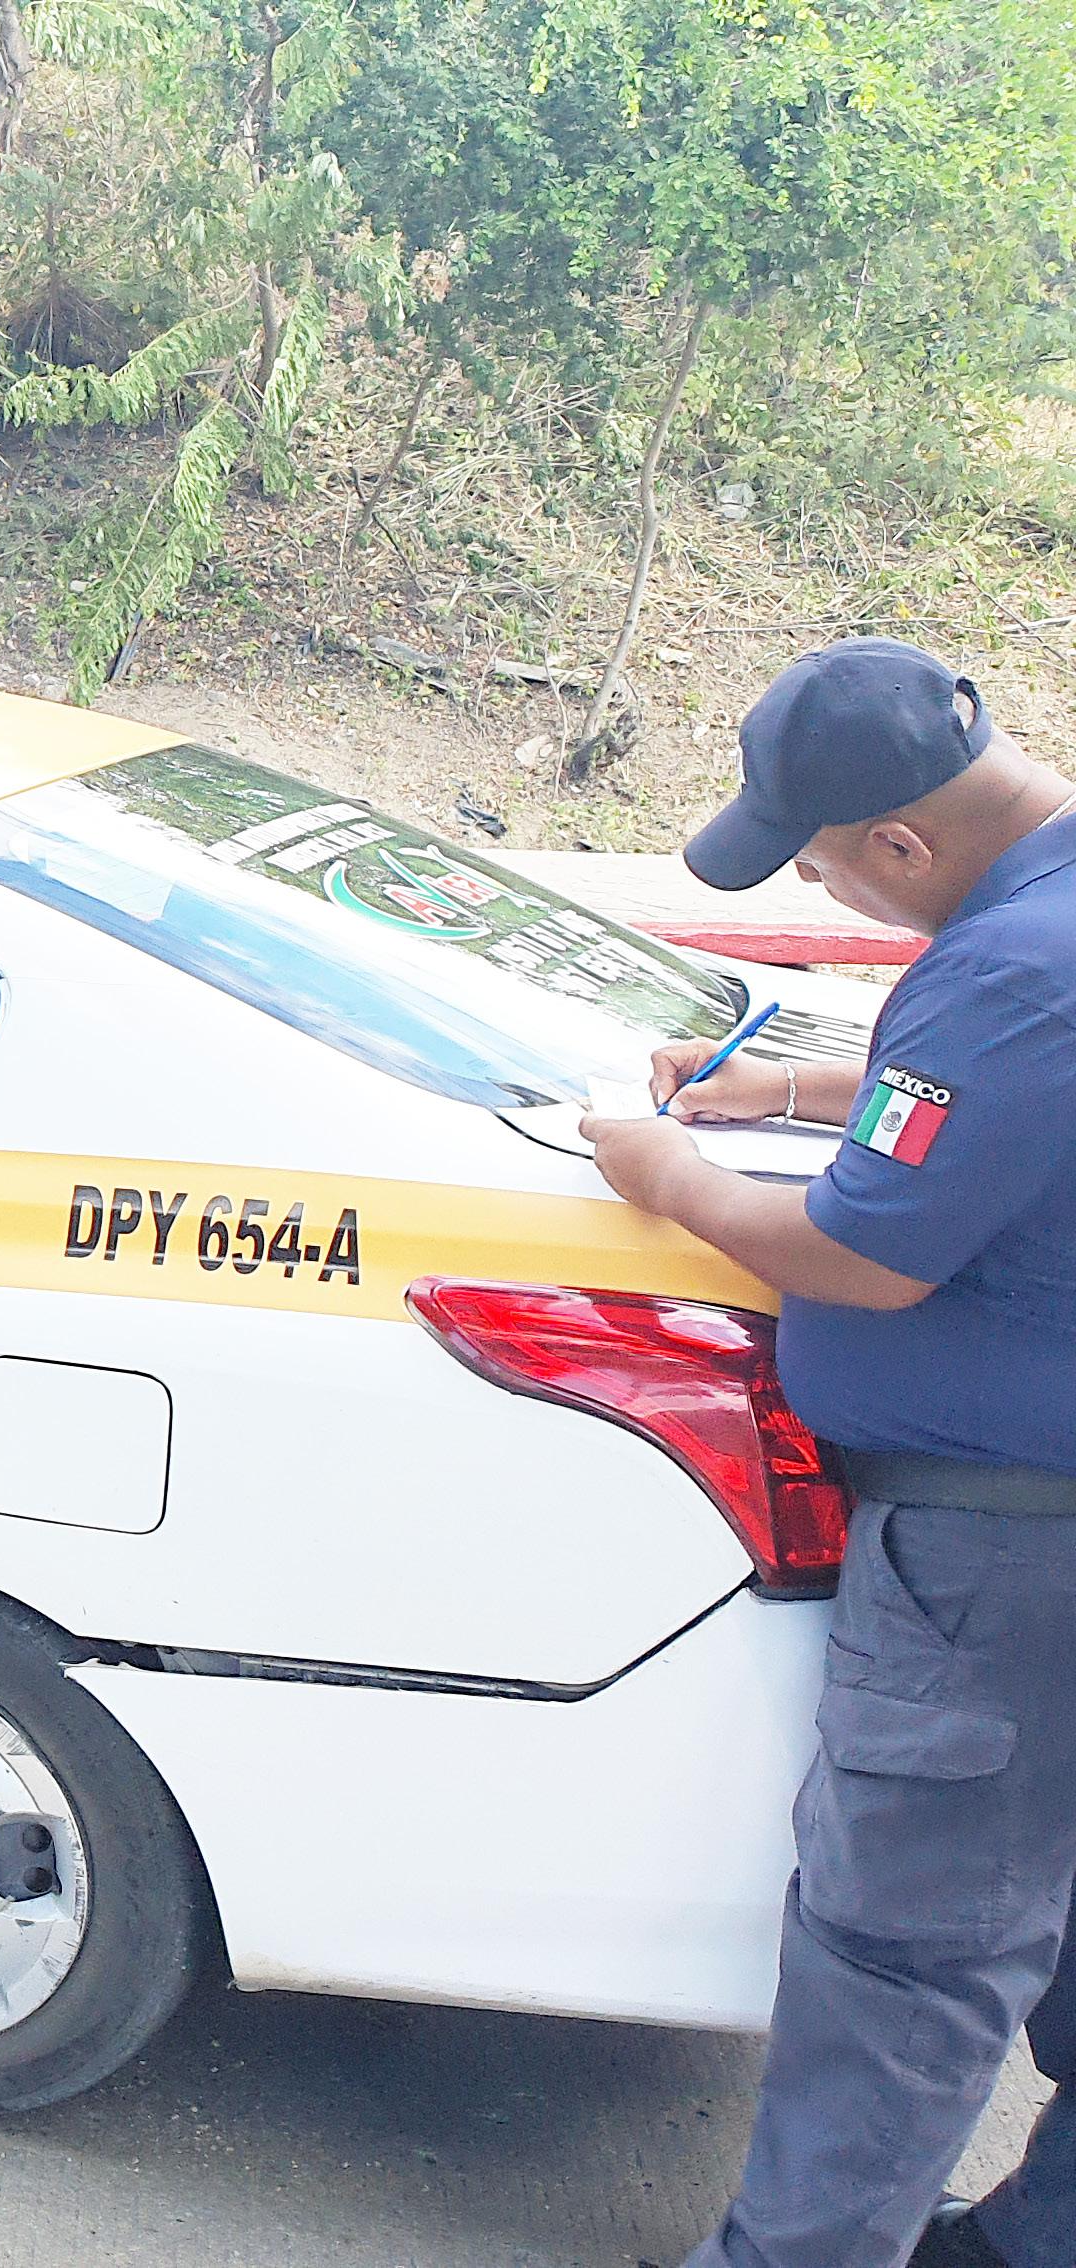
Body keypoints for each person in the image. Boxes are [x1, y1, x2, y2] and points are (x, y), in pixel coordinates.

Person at [576, 639, 1076, 2268]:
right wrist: (789, 1087)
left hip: (1006, 1557)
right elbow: (999, 1097)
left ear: (904, 843)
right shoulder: (1049, 925)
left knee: (907, 1963)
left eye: (818, 857)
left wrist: (666, 1173)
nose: (813, 881)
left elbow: (864, 1257)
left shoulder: (1012, 967)